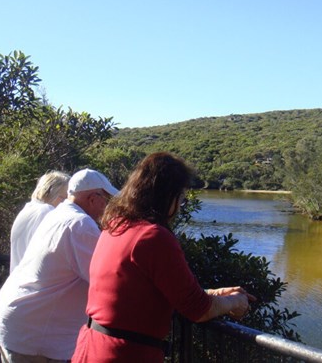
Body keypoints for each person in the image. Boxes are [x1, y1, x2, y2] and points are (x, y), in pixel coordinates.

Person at [72, 152, 256, 363]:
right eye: (180, 197)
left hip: (91, 348)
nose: (180, 204)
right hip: (125, 355)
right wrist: (235, 301)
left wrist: (214, 294)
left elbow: (141, 292)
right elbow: (198, 310)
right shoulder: (152, 236)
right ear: (168, 196)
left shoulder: (115, 227)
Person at [0, 168, 119, 363]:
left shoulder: (59, 214)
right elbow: (107, 279)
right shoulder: (80, 224)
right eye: (107, 200)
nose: (108, 207)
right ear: (93, 198)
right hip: (34, 338)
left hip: (18, 325)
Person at [10, 170, 70, 273]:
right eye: (64, 198)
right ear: (50, 192)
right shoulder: (46, 211)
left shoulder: (27, 210)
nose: (67, 203)